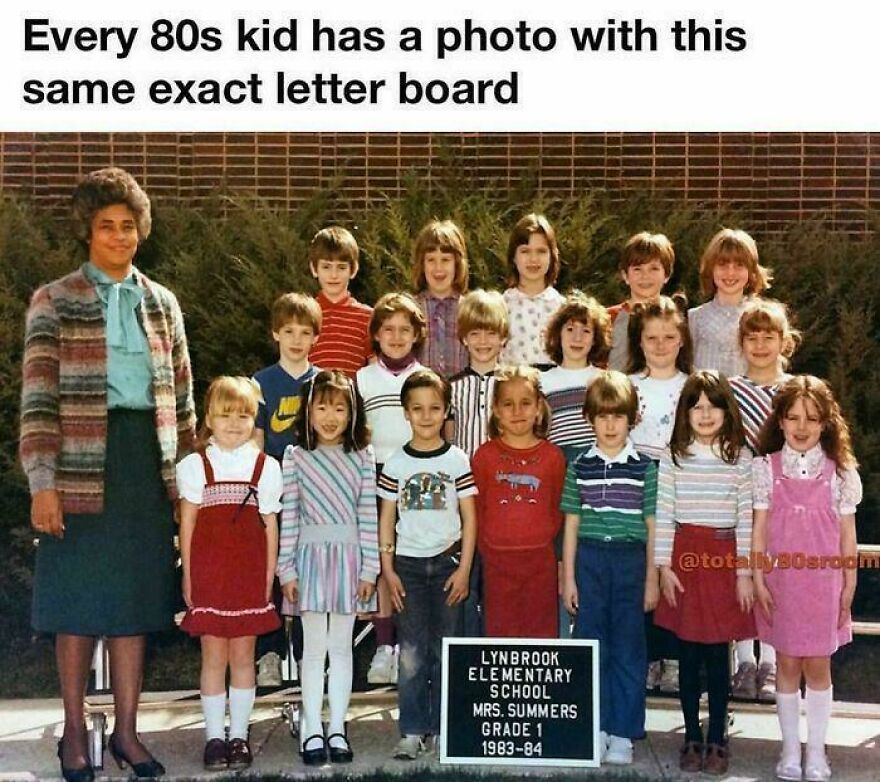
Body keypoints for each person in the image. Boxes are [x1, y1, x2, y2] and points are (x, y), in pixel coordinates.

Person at [20, 167, 196, 781]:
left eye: (128, 226)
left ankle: (126, 733)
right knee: (77, 603)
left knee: (132, 604)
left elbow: (185, 401)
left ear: (140, 232)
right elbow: (38, 401)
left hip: (144, 464)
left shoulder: (162, 303)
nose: (119, 236)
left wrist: (185, 487)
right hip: (76, 465)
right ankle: (72, 733)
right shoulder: (55, 299)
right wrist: (43, 482)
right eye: (106, 227)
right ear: (88, 233)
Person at [752, 376, 861, 782]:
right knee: (786, 661)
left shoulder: (840, 473)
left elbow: (848, 535)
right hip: (782, 582)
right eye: (793, 417)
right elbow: (759, 528)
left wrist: (849, 582)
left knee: (817, 664)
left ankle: (816, 753)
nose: (802, 427)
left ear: (826, 423)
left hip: (823, 583)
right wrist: (759, 576)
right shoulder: (765, 469)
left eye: (812, 419)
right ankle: (789, 752)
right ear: (780, 421)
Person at [653, 371, 755, 776]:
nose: (706, 414)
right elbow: (663, 514)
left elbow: (746, 517)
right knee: (689, 653)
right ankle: (691, 735)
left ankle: (717, 736)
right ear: (685, 413)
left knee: (717, 654)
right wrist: (663, 566)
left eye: (713, 406)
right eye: (697, 407)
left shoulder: (740, 457)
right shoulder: (674, 454)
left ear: (726, 411)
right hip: (684, 556)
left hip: (724, 556)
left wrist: (744, 572)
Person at [178, 377, 282, 771]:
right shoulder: (195, 465)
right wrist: (188, 575)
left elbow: (269, 524)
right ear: (209, 418)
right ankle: (214, 738)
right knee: (213, 656)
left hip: (249, 572)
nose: (234, 423)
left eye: (243, 415)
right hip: (210, 572)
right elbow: (187, 524)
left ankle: (239, 735)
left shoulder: (265, 466)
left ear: (254, 419)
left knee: (243, 655)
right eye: (225, 415)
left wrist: (268, 574)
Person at [278, 371, 379, 765]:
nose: (330, 416)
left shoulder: (363, 457)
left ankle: (337, 726)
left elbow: (367, 514)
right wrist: (286, 570)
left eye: (340, 407)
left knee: (342, 648)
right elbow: (290, 517)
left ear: (353, 413)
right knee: (313, 648)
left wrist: (369, 569)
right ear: (307, 411)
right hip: (309, 560)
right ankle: (311, 729)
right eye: (322, 407)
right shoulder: (296, 457)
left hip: (349, 560)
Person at [377, 370, 477, 760]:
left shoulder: (456, 460)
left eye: (434, 408)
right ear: (405, 413)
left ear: (446, 411)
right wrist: (388, 568)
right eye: (417, 408)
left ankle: (447, 728)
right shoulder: (396, 462)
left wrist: (465, 568)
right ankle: (413, 729)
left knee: (447, 648)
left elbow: (470, 517)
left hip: (449, 562)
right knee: (413, 652)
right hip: (409, 568)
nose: (426, 415)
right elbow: (387, 517)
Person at [561, 371, 658, 766]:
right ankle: (596, 727)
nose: (610, 424)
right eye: (602, 416)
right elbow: (571, 523)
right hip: (589, 561)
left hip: (630, 562)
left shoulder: (644, 467)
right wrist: (568, 577)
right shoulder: (580, 465)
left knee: (628, 650)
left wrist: (651, 577)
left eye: (618, 416)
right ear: (589, 419)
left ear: (631, 419)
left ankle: (623, 731)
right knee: (592, 647)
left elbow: (653, 526)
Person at [728, 299, 800, 702]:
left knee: (774, 574)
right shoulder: (732, 390)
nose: (759, 345)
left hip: (783, 495)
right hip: (741, 492)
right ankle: (743, 660)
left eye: (768, 337)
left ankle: (771, 658)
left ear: (783, 341)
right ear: (741, 343)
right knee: (740, 570)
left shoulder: (793, 389)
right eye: (751, 337)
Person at [356, 292, 426, 683]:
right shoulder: (362, 379)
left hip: (417, 475)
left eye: (405, 329)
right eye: (388, 330)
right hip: (376, 474)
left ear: (417, 334)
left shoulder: (425, 378)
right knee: (384, 558)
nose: (397, 337)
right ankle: (384, 646)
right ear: (376, 335)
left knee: (412, 557)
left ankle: (410, 647)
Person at [252, 292, 321, 687]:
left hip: (314, 494)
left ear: (316, 337)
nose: (297, 339)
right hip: (274, 493)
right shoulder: (261, 382)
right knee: (274, 572)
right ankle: (270, 653)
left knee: (309, 575)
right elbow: (257, 442)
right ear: (275, 333)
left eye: (305, 332)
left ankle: (311, 655)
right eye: (289, 331)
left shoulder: (324, 381)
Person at [626, 295, 693, 695]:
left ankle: (674, 658)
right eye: (653, 337)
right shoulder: (630, 385)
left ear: (682, 339)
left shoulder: (693, 386)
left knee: (674, 568)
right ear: (640, 341)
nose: (661, 344)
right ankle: (649, 657)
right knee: (643, 567)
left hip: (679, 481)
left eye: (669, 336)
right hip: (637, 480)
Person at [472, 365, 566, 638]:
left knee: (541, 635)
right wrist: (486, 551)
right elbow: (477, 512)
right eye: (508, 404)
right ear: (496, 411)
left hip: (541, 561)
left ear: (538, 408)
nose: (517, 411)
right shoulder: (484, 456)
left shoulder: (553, 457)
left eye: (525, 403)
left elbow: (559, 510)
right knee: (500, 634)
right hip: (497, 561)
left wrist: (558, 560)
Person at [446, 288, 509, 637]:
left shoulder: (513, 386)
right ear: (464, 338)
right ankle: (466, 649)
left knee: (498, 579)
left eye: (491, 332)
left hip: (503, 493)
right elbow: (449, 439)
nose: (483, 340)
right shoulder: (452, 388)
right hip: (463, 496)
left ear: (503, 337)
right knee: (465, 574)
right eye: (475, 333)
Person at [688, 228, 772, 377]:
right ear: (711, 269)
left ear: (752, 271)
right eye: (723, 265)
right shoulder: (695, 318)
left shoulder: (761, 317)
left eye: (739, 265)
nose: (730, 273)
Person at [541, 291, 611, 462]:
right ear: (558, 334)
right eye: (570, 329)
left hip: (597, 463)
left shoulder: (604, 380)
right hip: (560, 464)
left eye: (586, 331)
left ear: (595, 339)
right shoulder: (542, 381)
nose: (577, 338)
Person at [499, 213, 565, 368]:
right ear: (513, 257)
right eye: (525, 251)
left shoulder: (561, 307)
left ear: (552, 256)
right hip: (512, 388)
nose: (533, 259)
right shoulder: (501, 306)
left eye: (541, 251)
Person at [308, 226, 373, 378]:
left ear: (354, 269)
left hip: (352, 399)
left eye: (341, 267)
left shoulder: (367, 317)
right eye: (326, 267)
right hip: (313, 399)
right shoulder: (306, 314)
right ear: (314, 268)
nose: (334, 275)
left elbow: (374, 367)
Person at [608, 231, 675, 371]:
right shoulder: (608, 318)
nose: (645, 276)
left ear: (667, 274)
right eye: (637, 269)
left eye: (654, 268)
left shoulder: (676, 319)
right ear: (625, 275)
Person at [412, 219, 470, 377]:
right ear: (421, 264)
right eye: (431, 260)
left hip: (461, 394)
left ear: (457, 264)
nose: (438, 268)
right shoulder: (411, 309)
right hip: (420, 396)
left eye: (445, 260)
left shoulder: (469, 309)